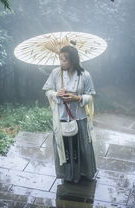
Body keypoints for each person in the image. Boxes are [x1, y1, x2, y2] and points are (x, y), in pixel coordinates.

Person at [42, 45, 97, 183]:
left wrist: (78, 98)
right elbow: (47, 90)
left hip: (79, 118)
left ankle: (83, 173)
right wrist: (56, 94)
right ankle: (67, 175)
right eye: (60, 60)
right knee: (64, 147)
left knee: (82, 147)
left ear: (73, 60)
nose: (61, 63)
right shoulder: (56, 73)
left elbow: (91, 96)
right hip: (61, 117)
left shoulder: (84, 75)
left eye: (64, 60)